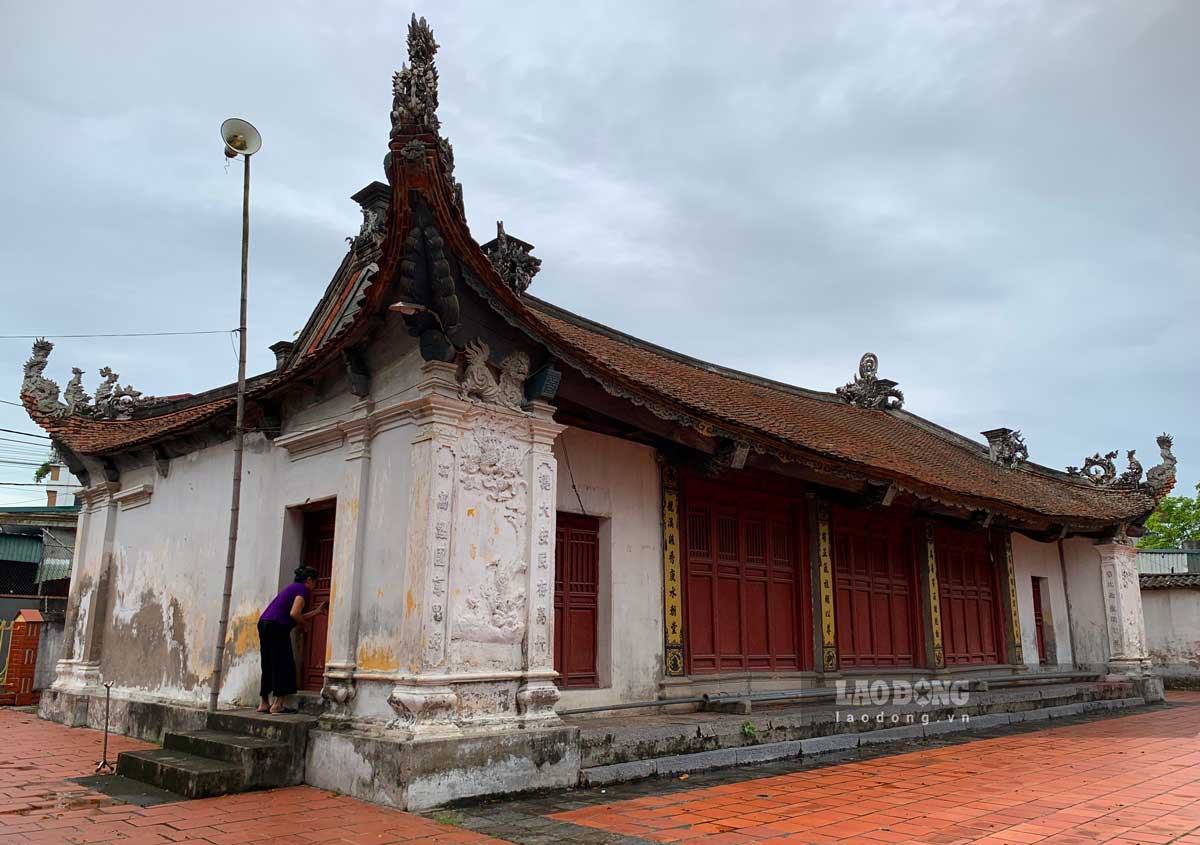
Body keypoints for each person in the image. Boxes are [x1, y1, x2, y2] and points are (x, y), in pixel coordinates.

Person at [257, 566, 327, 714]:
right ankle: (278, 705)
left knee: (268, 662)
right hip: (277, 627)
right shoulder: (303, 590)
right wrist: (305, 625)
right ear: (308, 580)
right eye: (314, 583)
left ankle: (264, 703)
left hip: (265, 623)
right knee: (284, 663)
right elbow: (295, 613)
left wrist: (317, 612)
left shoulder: (291, 588)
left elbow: (293, 615)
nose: (314, 587)